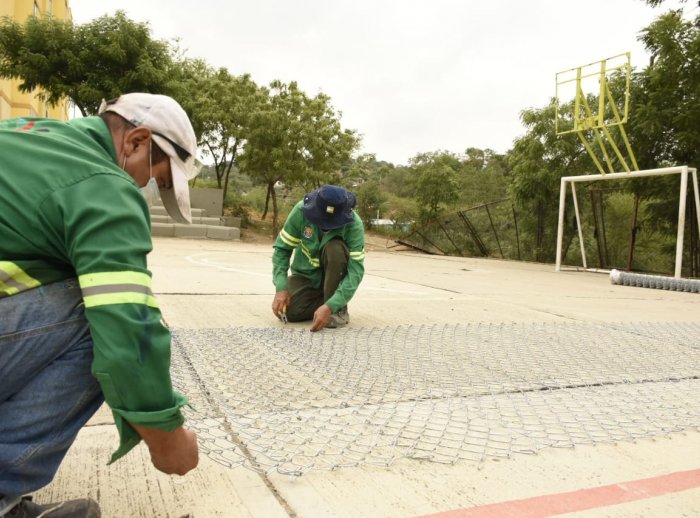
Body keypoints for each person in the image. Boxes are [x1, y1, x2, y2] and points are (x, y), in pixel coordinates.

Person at [0, 93, 201, 517]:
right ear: (137, 141)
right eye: (156, 177)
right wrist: (169, 441)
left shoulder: (26, 133)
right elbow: (128, 335)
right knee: (99, 315)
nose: (144, 188)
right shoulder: (104, 185)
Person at [272, 184, 366, 332]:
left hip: (335, 277)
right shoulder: (300, 211)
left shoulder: (354, 225)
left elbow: (356, 272)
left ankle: (336, 308)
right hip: (307, 277)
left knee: (334, 248)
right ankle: (327, 301)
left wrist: (332, 305)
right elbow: (282, 250)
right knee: (288, 312)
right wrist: (281, 288)